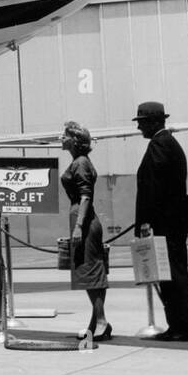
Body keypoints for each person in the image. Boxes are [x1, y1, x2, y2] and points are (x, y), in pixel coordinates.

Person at [133, 101, 188, 341]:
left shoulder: (160, 144)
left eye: (142, 123)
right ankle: (180, 324)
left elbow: (153, 188)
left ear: (153, 122)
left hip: (166, 222)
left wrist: (144, 222)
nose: (139, 128)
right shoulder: (167, 143)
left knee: (173, 275)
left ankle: (185, 325)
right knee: (173, 274)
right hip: (173, 221)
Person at [61, 121, 110, 341]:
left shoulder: (80, 162)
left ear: (75, 140)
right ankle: (97, 321)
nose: (61, 138)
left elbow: (85, 196)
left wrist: (79, 226)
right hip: (83, 219)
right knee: (89, 270)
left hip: (85, 220)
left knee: (91, 271)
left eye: (65, 135)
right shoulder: (79, 161)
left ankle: (100, 320)